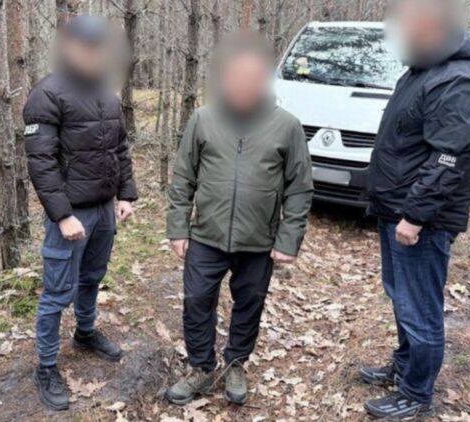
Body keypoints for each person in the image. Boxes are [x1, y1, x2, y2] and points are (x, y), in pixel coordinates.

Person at [165, 34, 313, 406]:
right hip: (206, 235)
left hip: (259, 240)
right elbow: (183, 177)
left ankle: (235, 363)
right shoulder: (203, 118)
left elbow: (299, 187)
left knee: (250, 302)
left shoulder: (287, 126)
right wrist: (178, 227)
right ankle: (202, 367)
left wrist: (288, 239)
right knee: (197, 300)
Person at [361, 0, 470, 419]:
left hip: (421, 219)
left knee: (419, 309)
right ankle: (404, 367)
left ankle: (416, 394)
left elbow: (450, 158)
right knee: (401, 299)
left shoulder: (459, 79)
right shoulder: (423, 70)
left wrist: (415, 216)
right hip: (396, 209)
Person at [23, 16, 138, 411]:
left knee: (92, 278)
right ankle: (46, 366)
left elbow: (119, 149)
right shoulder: (47, 94)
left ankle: (85, 332)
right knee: (57, 292)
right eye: (86, 48)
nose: (93, 55)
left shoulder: (107, 92)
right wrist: (61, 216)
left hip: (104, 210)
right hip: (70, 215)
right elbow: (41, 163)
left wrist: (126, 195)